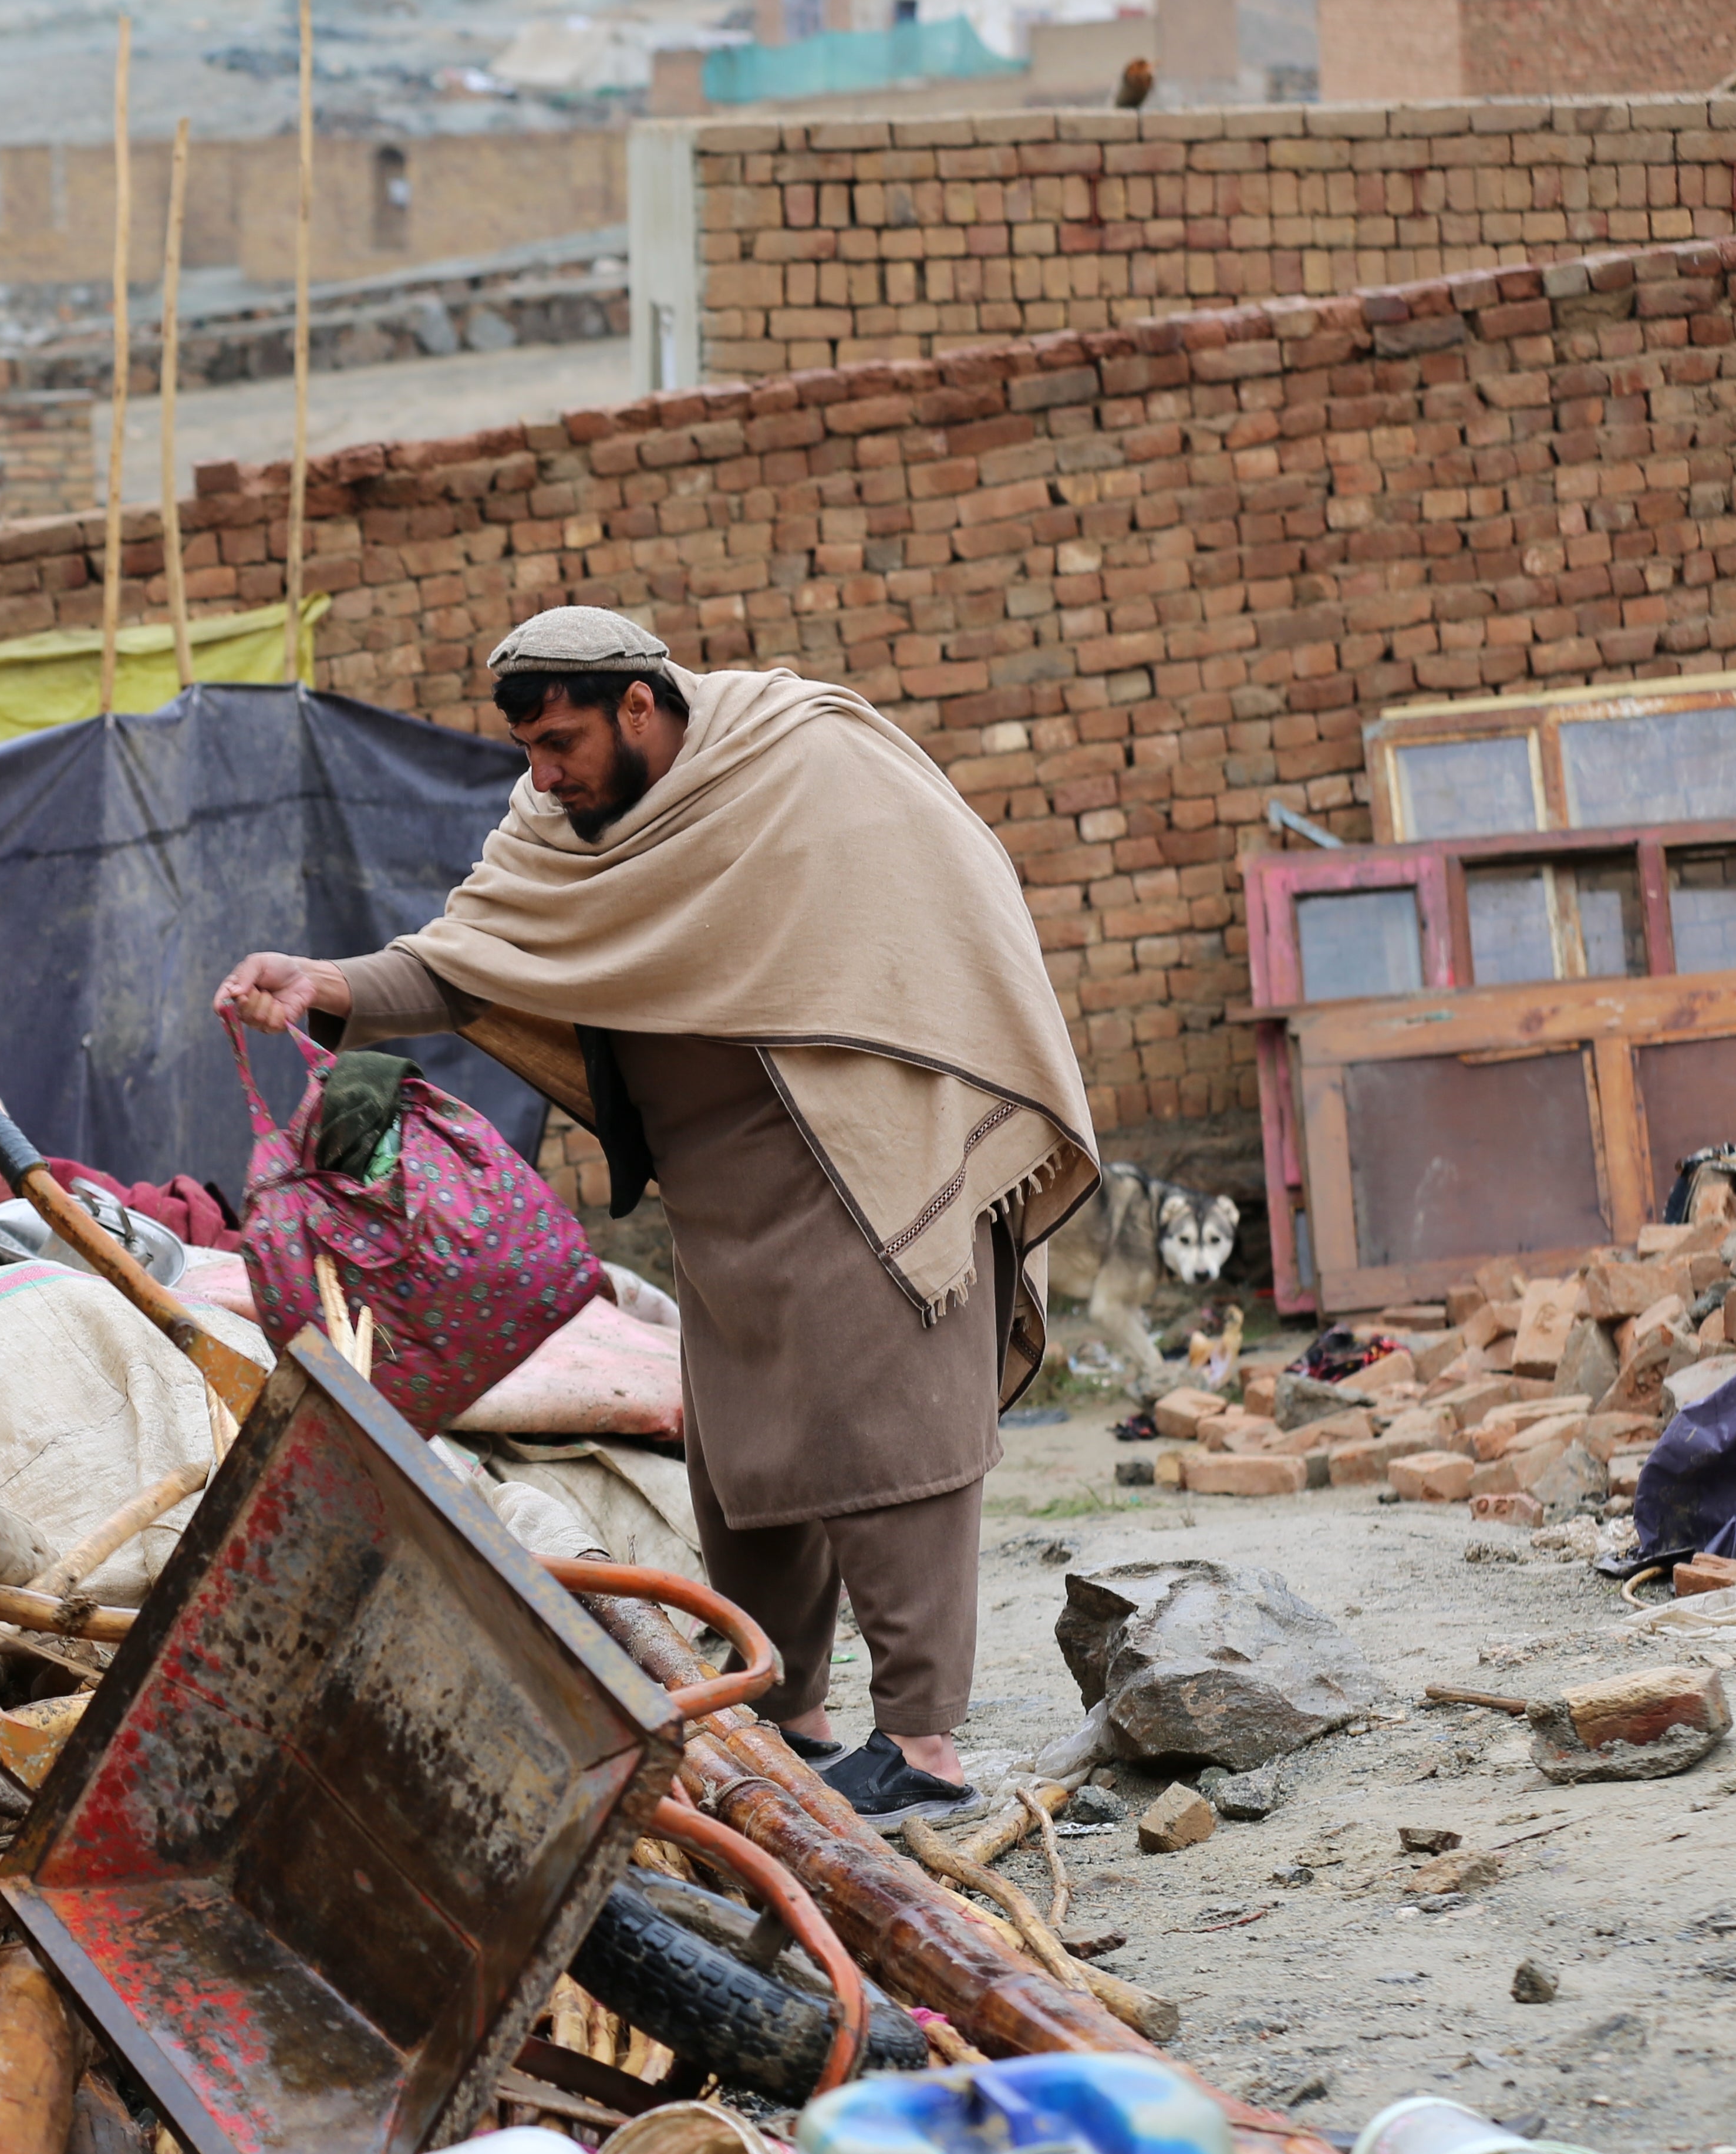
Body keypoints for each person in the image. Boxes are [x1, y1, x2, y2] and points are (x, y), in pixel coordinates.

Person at [215, 607, 1097, 1825]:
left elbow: (949, 904)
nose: (545, 772)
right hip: (721, 1194)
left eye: (563, 741)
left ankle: (927, 1749)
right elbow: (472, 958)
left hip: (861, 1156)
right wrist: (326, 986)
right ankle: (798, 1727)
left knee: (892, 1449)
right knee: (747, 1460)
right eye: (527, 748)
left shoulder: (800, 755)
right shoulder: (558, 828)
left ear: (640, 705)